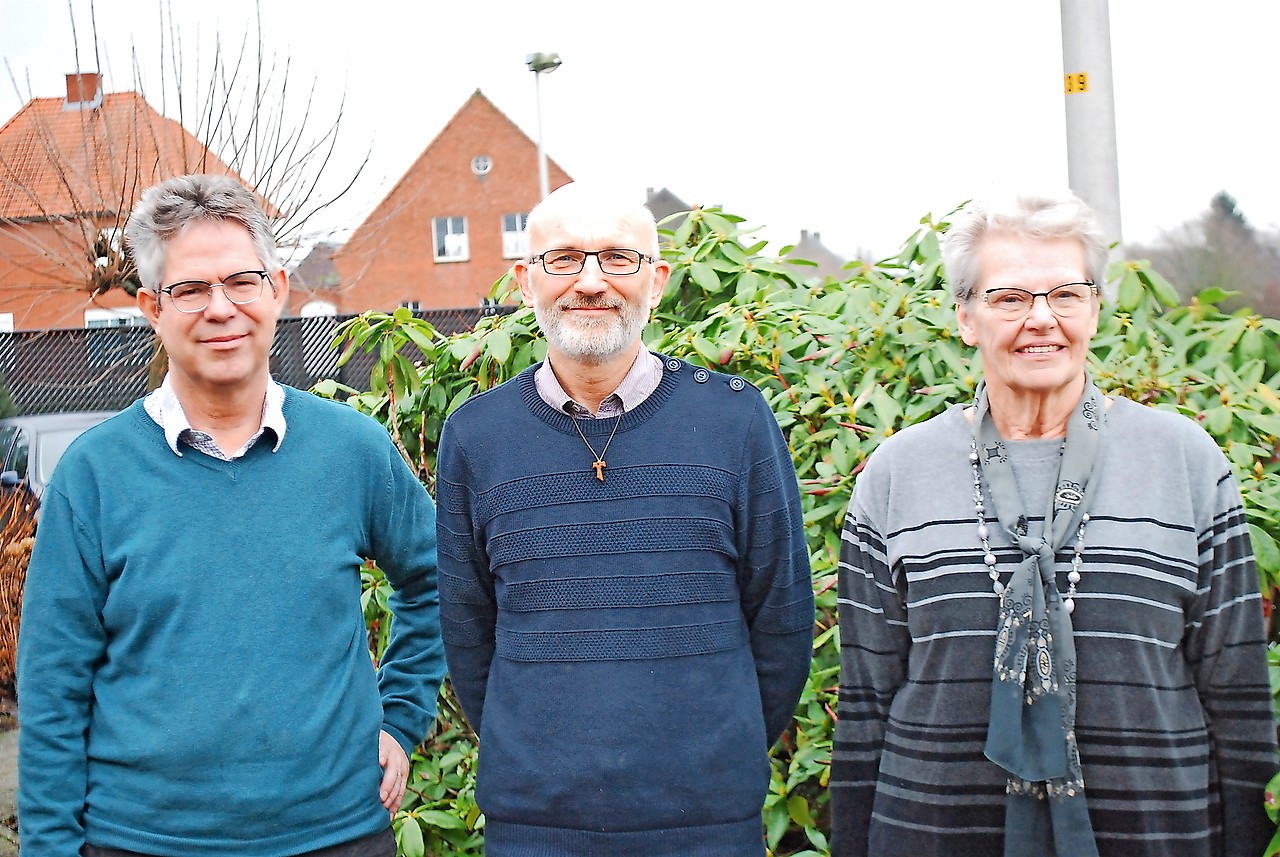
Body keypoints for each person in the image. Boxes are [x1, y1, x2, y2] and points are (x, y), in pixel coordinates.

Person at [829, 190, 1277, 857]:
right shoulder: (897, 476)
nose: (1041, 319)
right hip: (932, 834)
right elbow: (865, 707)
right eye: (1009, 298)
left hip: (1155, 836)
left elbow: (1238, 701)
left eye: (1066, 294)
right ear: (965, 318)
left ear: (1095, 308)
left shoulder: (1186, 465)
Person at [16, 174, 446, 857]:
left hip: (336, 835)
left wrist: (400, 714)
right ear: (151, 307)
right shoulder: (93, 476)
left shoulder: (352, 451)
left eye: (241, 281)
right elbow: (52, 690)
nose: (221, 308)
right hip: (141, 840)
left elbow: (438, 578)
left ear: (277, 289)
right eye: (190, 289)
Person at [435, 182, 815, 856]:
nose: (590, 282)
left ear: (657, 280)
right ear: (526, 282)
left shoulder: (735, 422)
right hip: (536, 827)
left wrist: (711, 758)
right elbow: (469, 633)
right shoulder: (475, 437)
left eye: (617, 258)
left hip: (706, 823)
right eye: (563, 260)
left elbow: (781, 619)